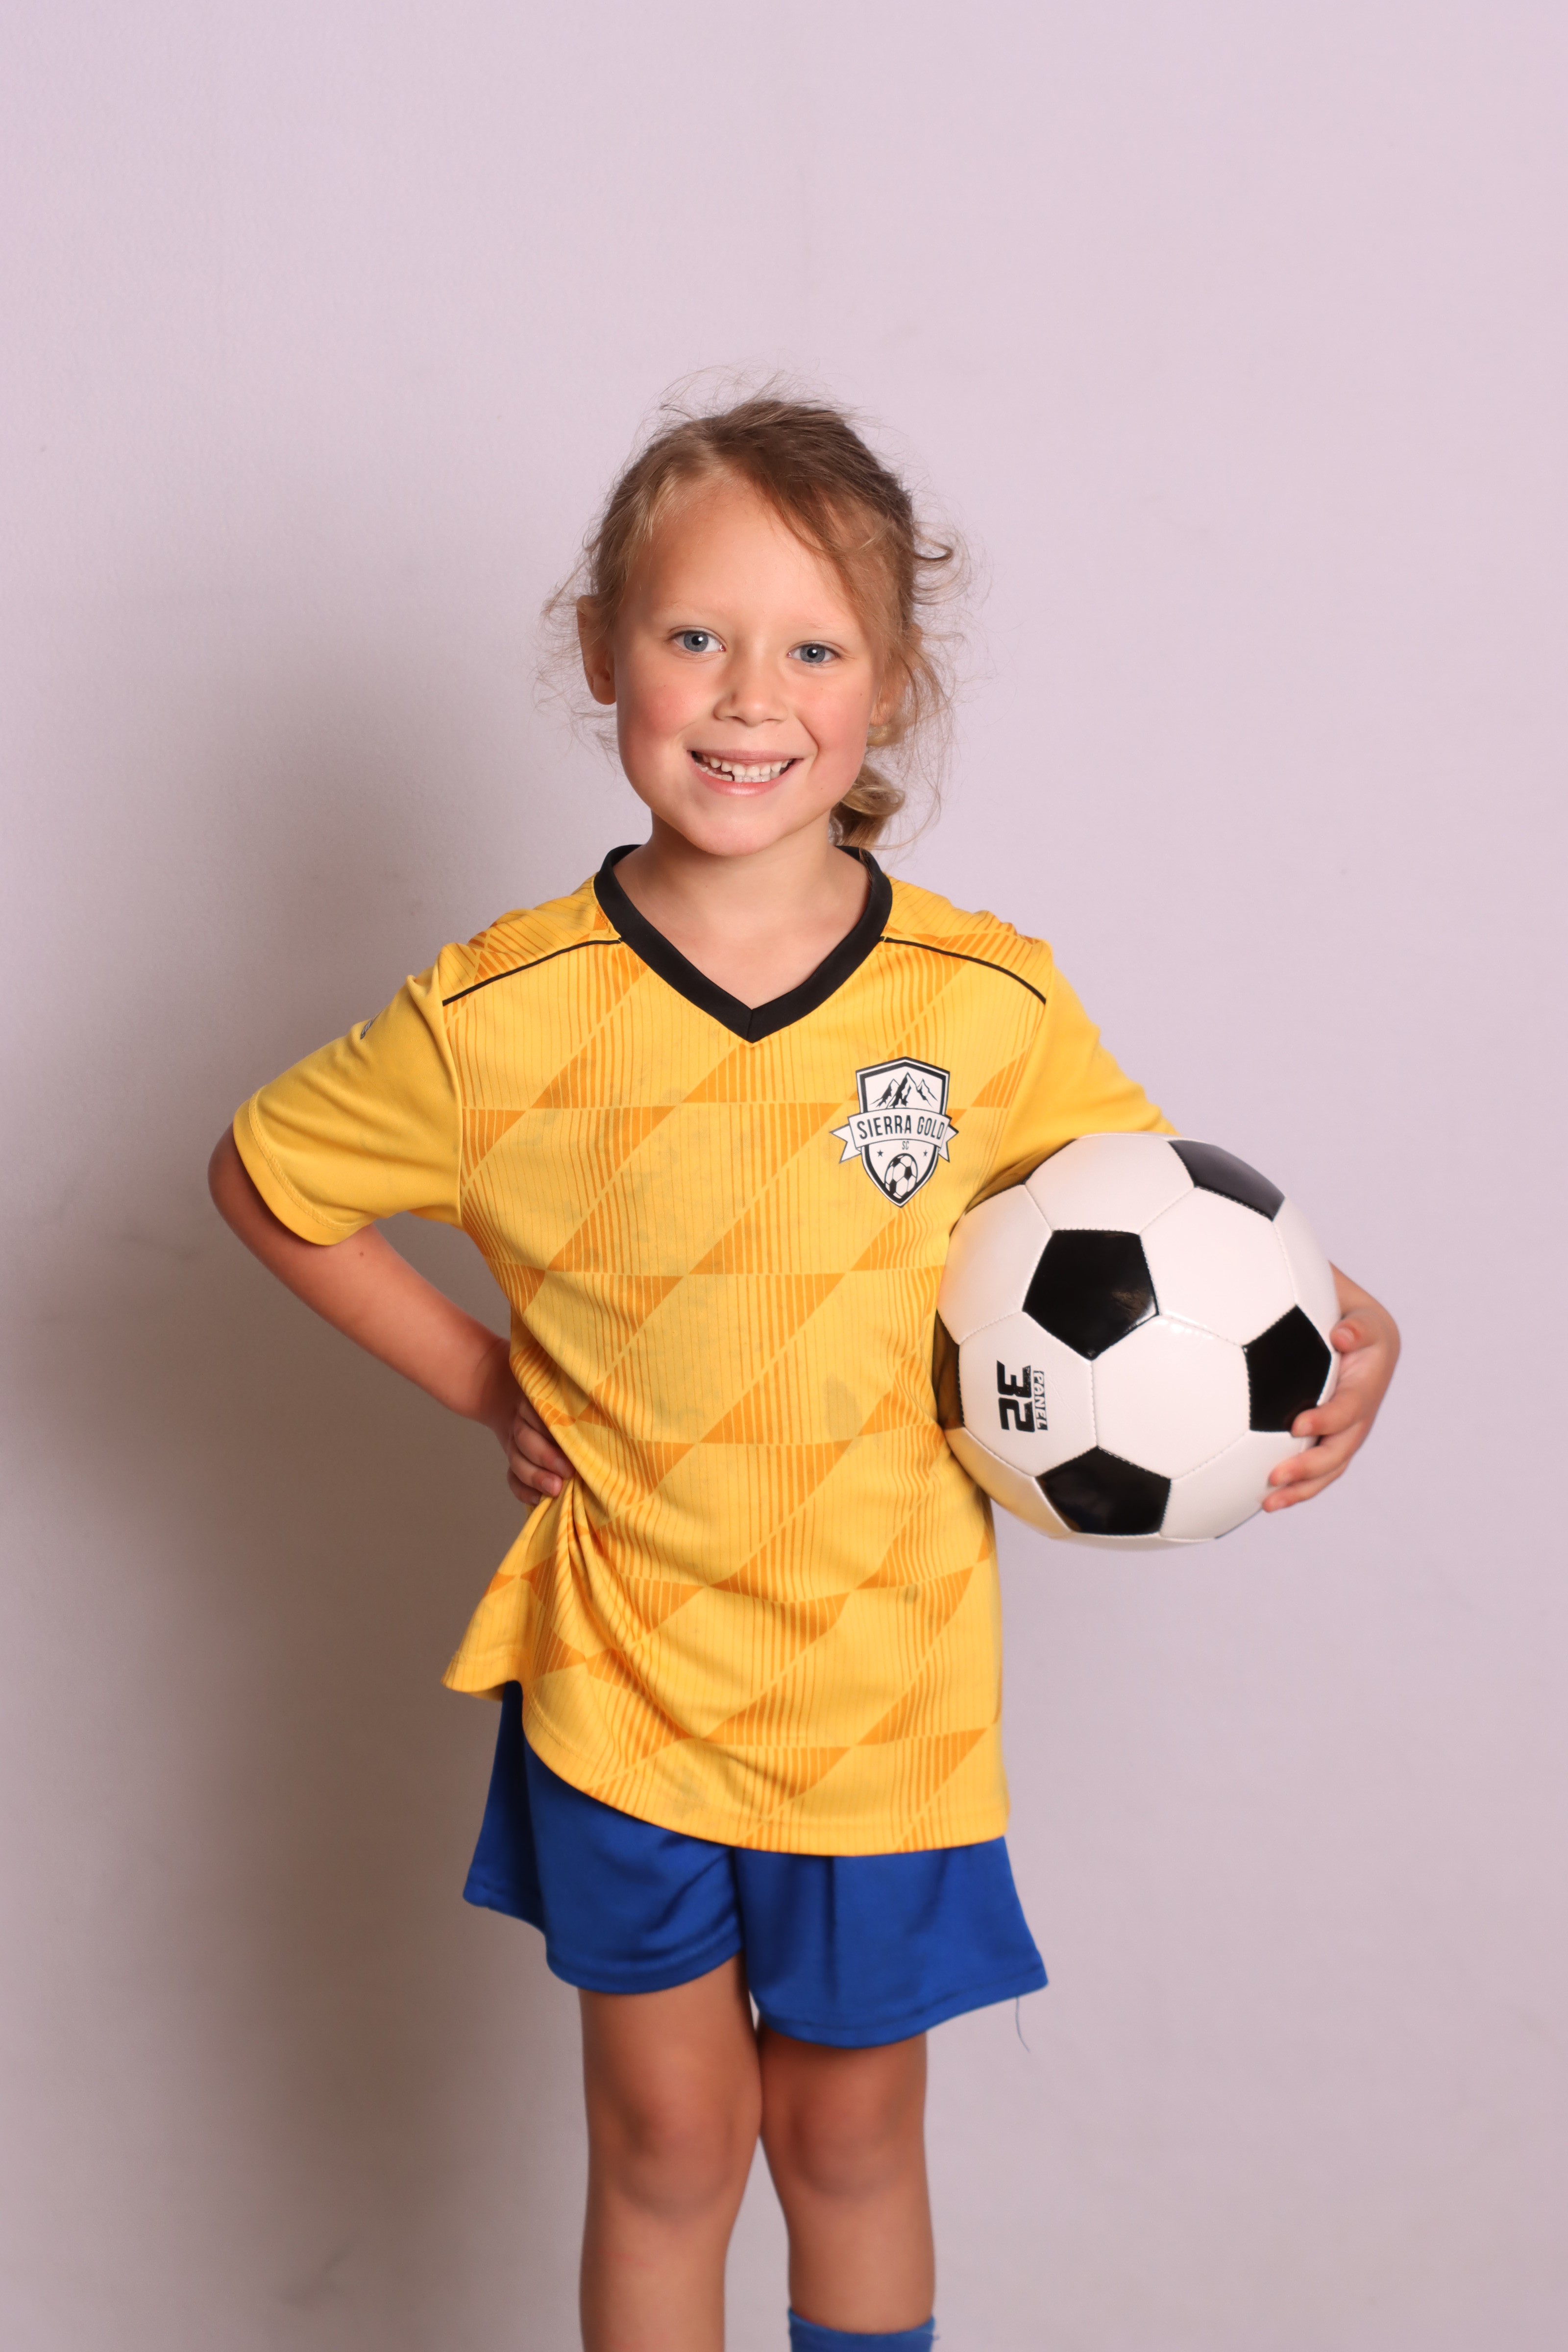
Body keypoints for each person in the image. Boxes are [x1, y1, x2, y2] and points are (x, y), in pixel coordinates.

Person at [209, 395, 1399, 2352]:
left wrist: (1357, 1321)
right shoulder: (502, 1014)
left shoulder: (983, 1002)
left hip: (885, 1701)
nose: (749, 696)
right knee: (668, 2147)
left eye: (814, 648)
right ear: (601, 650)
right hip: (627, 1684)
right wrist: (485, 1380)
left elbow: (1171, 1229)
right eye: (694, 635)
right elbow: (269, 1181)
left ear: (891, 684)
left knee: (847, 2143)